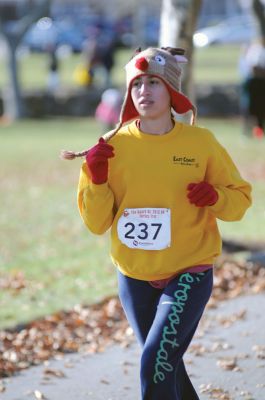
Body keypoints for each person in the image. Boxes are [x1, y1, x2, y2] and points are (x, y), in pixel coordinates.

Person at [61, 47, 252, 399]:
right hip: (134, 277)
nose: (143, 91)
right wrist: (99, 179)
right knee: (168, 367)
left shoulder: (200, 143)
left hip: (189, 271)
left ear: (172, 91)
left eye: (153, 83)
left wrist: (215, 197)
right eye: (136, 84)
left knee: (155, 361)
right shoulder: (112, 146)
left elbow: (239, 201)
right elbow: (97, 223)